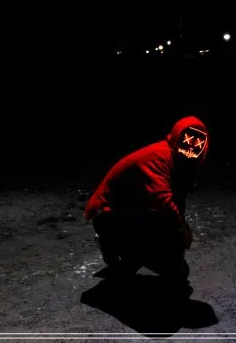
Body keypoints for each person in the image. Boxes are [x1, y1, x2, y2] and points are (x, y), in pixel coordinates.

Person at [83, 116, 209, 299]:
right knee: (164, 237)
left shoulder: (180, 166)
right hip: (107, 215)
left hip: (133, 212)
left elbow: (176, 205)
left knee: (178, 272)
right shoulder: (159, 156)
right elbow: (163, 200)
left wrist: (177, 242)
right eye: (188, 139)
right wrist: (182, 229)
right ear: (177, 137)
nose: (191, 147)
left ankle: (127, 259)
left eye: (198, 144)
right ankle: (112, 246)